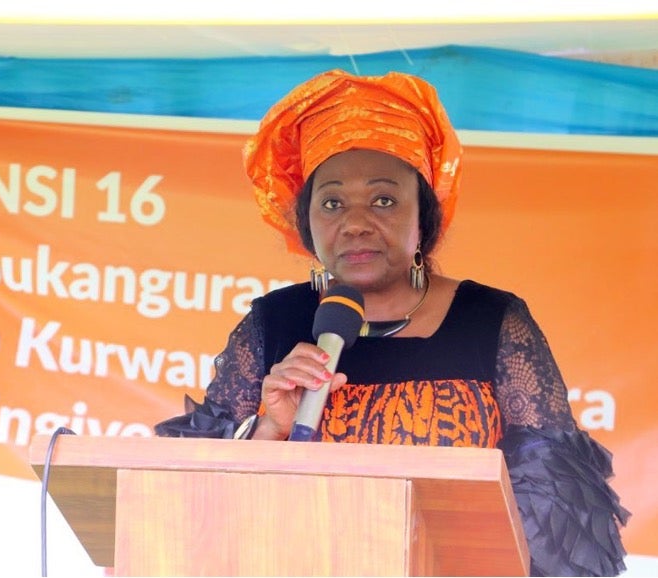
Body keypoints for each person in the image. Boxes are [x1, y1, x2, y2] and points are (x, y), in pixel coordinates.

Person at [154, 69, 629, 576]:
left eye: (383, 200)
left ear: (423, 218)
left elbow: (558, 515)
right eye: (332, 203)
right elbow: (190, 499)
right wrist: (269, 430)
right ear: (308, 223)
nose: (355, 222)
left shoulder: (493, 322)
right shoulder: (273, 323)